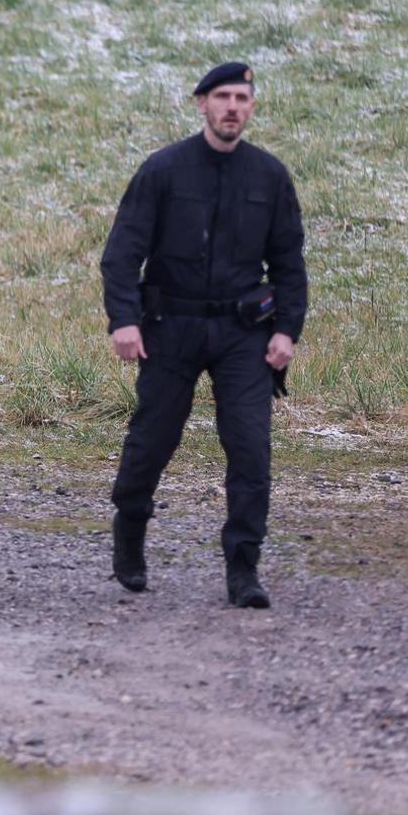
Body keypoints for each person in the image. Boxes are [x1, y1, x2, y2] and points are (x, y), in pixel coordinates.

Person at [99, 62, 307, 608]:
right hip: (171, 327)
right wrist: (124, 320)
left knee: (250, 450)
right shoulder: (164, 170)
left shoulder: (269, 176)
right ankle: (130, 533)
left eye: (242, 97)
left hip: (244, 335)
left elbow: (289, 263)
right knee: (153, 439)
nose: (232, 107)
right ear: (202, 104)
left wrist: (288, 330)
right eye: (222, 97)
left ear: (252, 107)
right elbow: (122, 254)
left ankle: (243, 570)